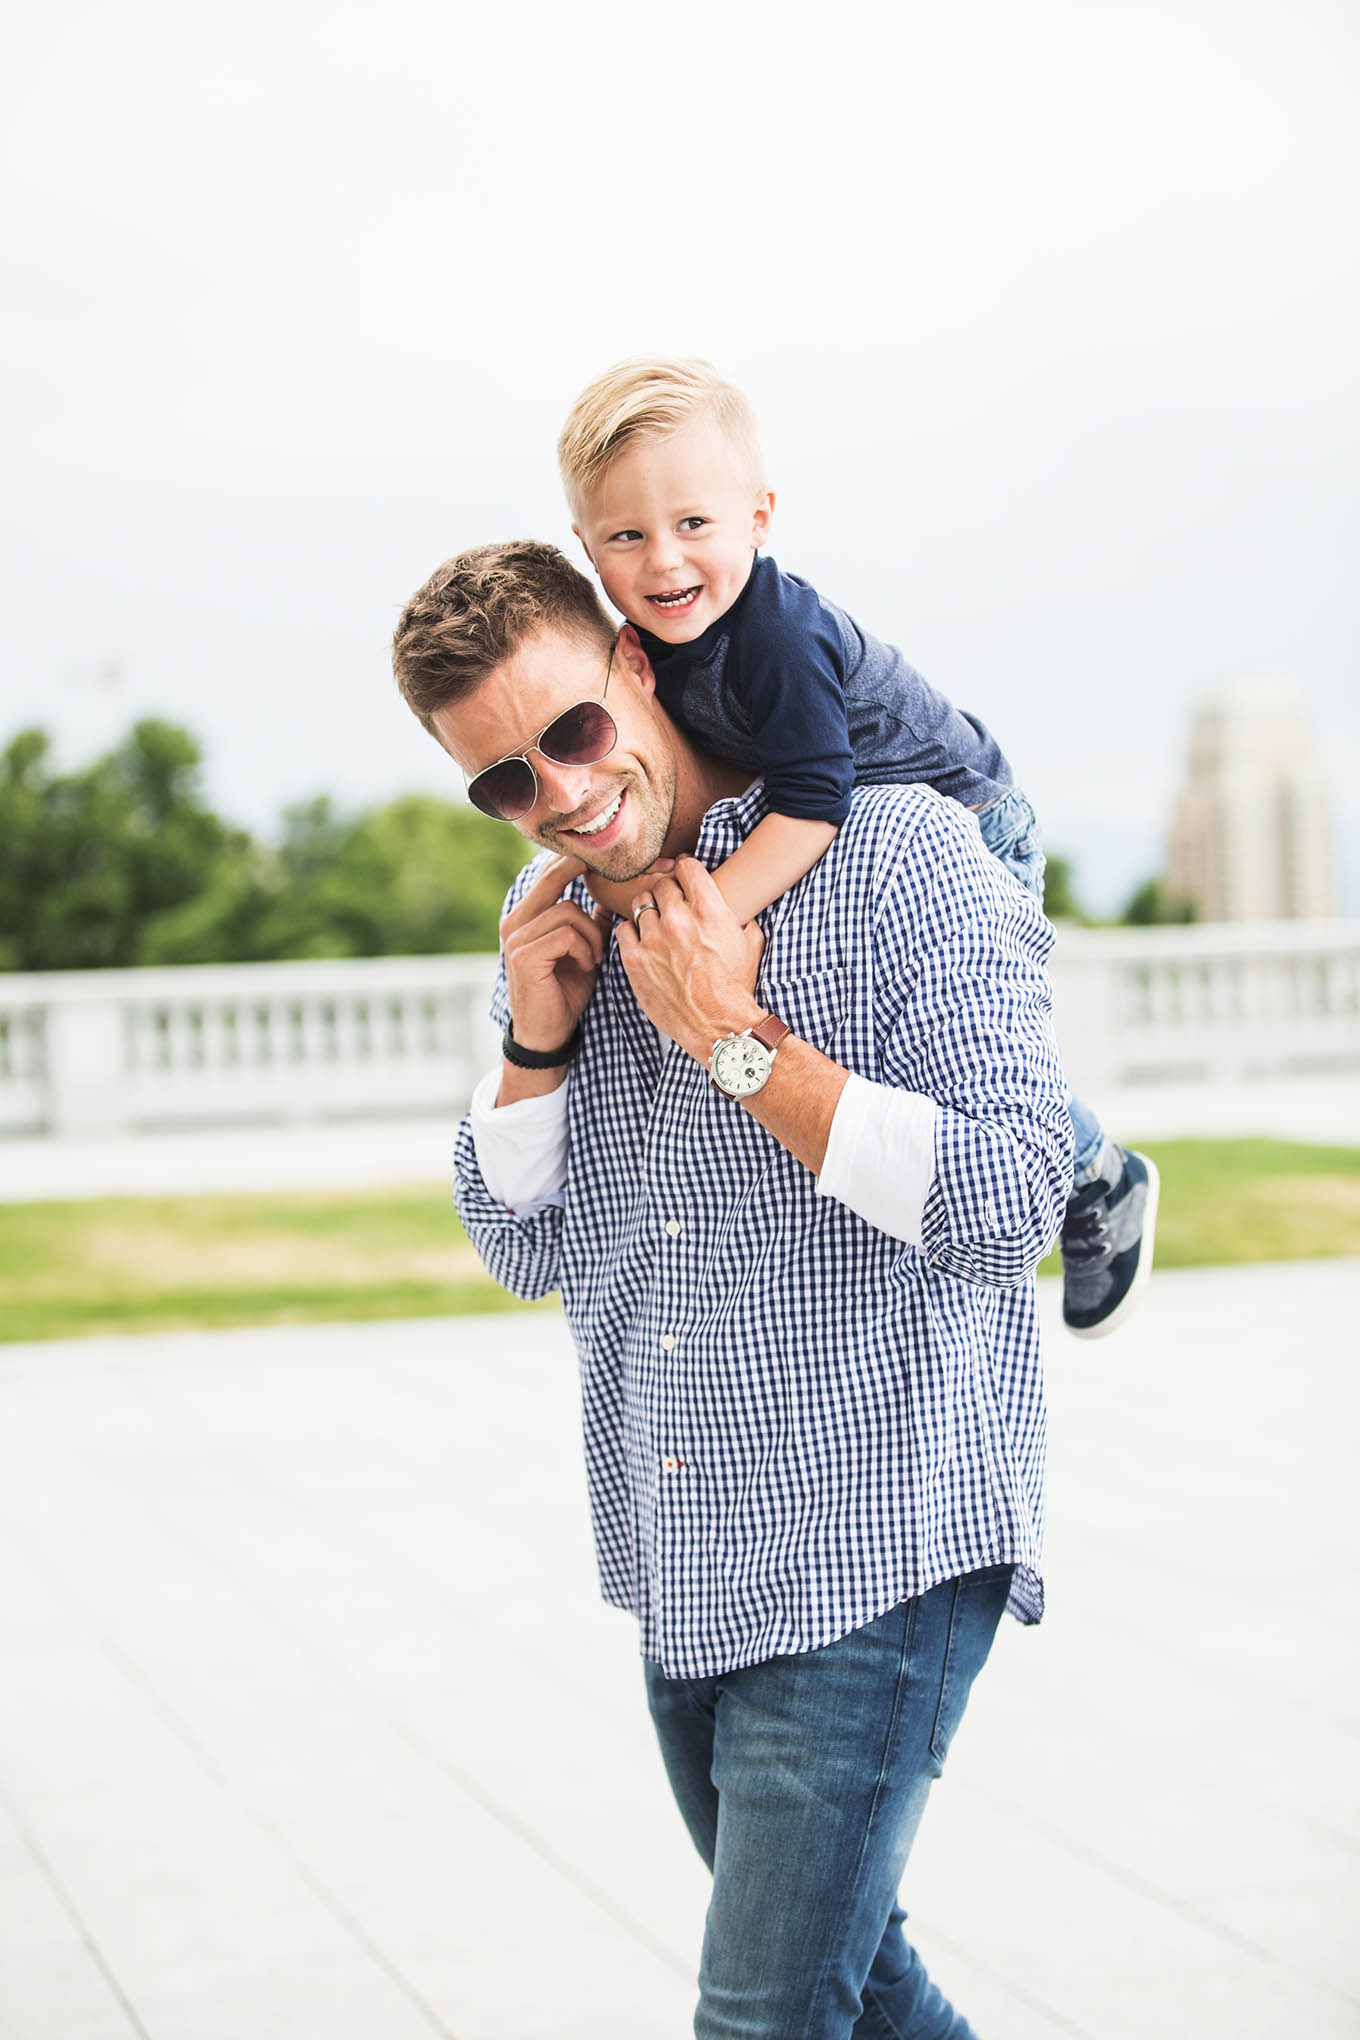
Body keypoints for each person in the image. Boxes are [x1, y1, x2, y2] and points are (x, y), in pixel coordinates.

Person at [391, 538, 1073, 2040]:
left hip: (874, 1550)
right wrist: (533, 1036)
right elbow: (522, 1246)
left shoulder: (896, 854)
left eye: (570, 731)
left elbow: (1018, 1195)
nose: (559, 795)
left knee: (763, 2019)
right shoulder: (555, 911)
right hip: (681, 1563)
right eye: (504, 779)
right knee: (862, 1989)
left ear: (635, 663)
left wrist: (737, 1044)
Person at [554, 355, 1157, 1339]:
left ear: (758, 515)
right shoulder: (655, 634)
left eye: (693, 525)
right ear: (587, 547)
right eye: (628, 536)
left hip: (966, 822)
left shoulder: (776, 638)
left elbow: (808, 804)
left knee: (946, 1067)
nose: (663, 561)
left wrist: (696, 912)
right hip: (858, 826)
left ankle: (1097, 1174)